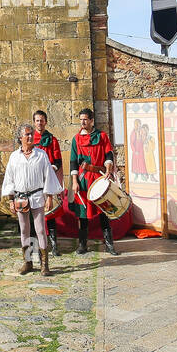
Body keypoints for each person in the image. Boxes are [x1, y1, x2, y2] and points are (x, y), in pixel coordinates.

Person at [3, 123, 64, 276]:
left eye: (31, 134)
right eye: (27, 135)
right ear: (20, 138)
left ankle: (44, 265)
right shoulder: (14, 157)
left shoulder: (41, 155)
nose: (30, 137)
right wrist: (10, 199)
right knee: (24, 230)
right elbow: (9, 178)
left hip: (37, 196)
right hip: (20, 197)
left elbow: (48, 176)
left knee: (40, 230)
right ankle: (28, 262)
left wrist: (49, 196)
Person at [68, 107, 118, 256]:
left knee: (104, 212)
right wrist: (75, 182)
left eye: (85, 119)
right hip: (83, 180)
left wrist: (108, 169)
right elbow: (73, 163)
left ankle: (109, 245)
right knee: (83, 214)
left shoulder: (102, 136)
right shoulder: (76, 139)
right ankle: (83, 245)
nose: (82, 122)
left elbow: (109, 155)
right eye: (81, 119)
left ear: (91, 120)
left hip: (99, 178)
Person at [33, 110, 67, 255]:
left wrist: (49, 169)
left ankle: (54, 246)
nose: (39, 123)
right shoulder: (29, 138)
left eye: (42, 120)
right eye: (37, 120)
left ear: (46, 122)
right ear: (34, 122)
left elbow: (58, 160)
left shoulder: (52, 140)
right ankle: (37, 246)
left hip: (47, 179)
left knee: (50, 213)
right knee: (34, 213)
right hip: (34, 181)